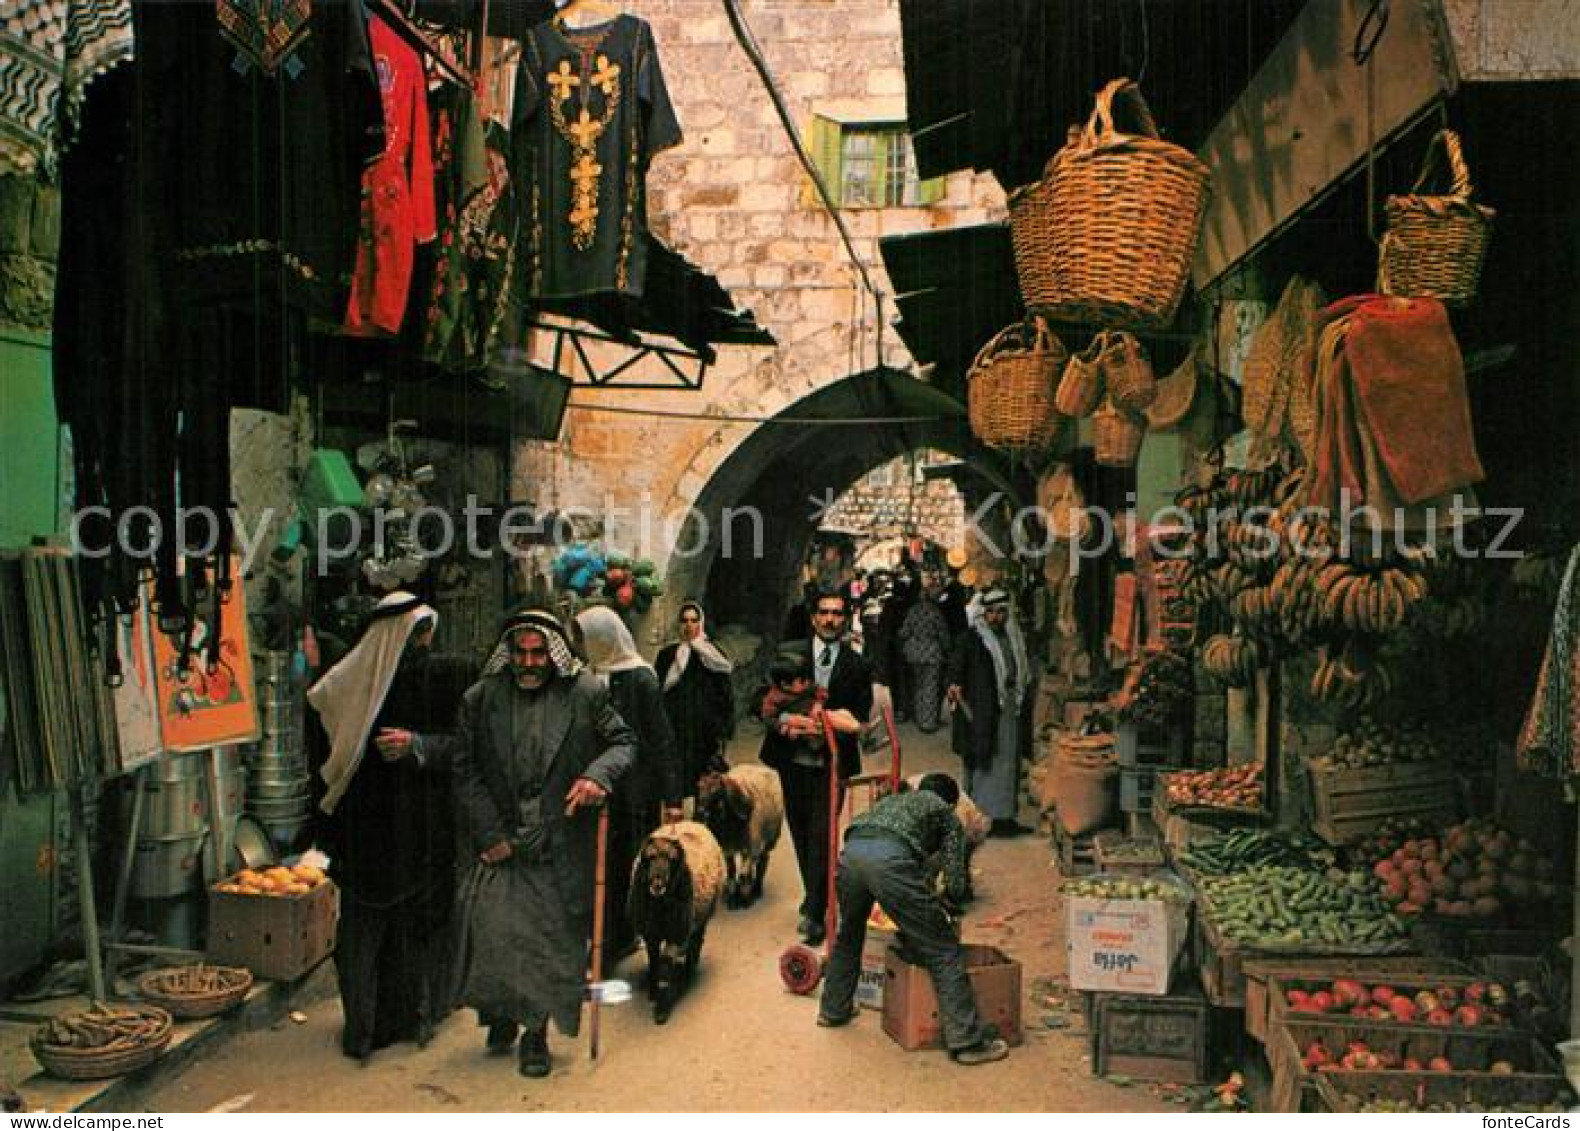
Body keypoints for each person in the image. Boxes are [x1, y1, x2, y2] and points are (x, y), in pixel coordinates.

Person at [449, 608, 637, 1078]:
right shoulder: (480, 698)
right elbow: (464, 769)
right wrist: (489, 834)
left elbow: (624, 743)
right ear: (508, 653)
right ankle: (505, 1014)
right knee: (496, 935)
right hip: (502, 840)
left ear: (554, 655)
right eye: (520, 653)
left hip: (560, 840)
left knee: (550, 944)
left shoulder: (586, 694)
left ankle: (536, 1034)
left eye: (538, 653)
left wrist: (597, 777)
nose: (529, 663)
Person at [306, 591, 477, 1060]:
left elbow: (463, 746)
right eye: (420, 633)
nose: (425, 643)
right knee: (366, 928)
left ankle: (412, 1018)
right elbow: (322, 752)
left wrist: (418, 745)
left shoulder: (440, 679)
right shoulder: (345, 682)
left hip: (419, 824)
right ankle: (366, 1028)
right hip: (366, 826)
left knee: (415, 925)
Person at [815, 773, 1009, 1066]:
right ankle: (967, 1042)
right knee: (943, 949)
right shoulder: (946, 815)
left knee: (849, 934)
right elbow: (956, 884)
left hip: (852, 854)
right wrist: (947, 908)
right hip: (889, 861)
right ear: (952, 801)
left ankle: (833, 1009)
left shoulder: (894, 801)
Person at [759, 589, 872, 944]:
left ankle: (815, 911)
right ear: (813, 617)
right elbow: (762, 702)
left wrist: (835, 723)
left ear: (846, 618)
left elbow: (861, 714)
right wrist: (785, 723)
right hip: (792, 761)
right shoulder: (790, 652)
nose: (830, 620)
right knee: (801, 831)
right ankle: (819, 898)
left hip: (832, 763)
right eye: (824, 613)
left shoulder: (857, 665)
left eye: (837, 614)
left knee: (823, 834)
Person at [575, 606, 683, 960]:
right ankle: (606, 939)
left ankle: (625, 935)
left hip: (634, 791)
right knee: (599, 866)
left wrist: (672, 797)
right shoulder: (586, 677)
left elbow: (662, 738)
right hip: (598, 788)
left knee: (630, 865)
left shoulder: (640, 679)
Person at [947, 589, 1035, 837]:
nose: (996, 617)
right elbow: (955, 668)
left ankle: (1005, 818)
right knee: (985, 763)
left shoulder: (1013, 637)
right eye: (991, 612)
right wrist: (954, 684)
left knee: (1008, 765)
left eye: (1001, 612)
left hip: (1009, 708)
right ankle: (982, 819)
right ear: (983, 613)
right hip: (982, 711)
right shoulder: (971, 639)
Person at [654, 600, 735, 800]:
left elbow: (725, 693)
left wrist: (724, 727)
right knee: (676, 782)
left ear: (701, 623)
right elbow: (657, 691)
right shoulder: (667, 656)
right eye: (684, 621)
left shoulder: (713, 655)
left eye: (693, 620)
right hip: (675, 728)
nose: (689, 625)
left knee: (704, 782)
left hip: (704, 732)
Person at [898, 579, 952, 733]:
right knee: (930, 687)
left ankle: (918, 716)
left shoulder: (913, 610)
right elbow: (943, 635)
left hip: (913, 653)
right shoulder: (936, 612)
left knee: (917, 686)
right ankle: (927, 722)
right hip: (932, 654)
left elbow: (904, 631)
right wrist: (947, 649)